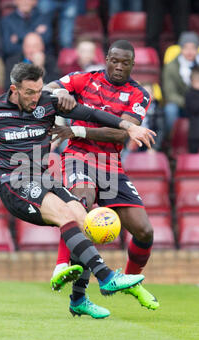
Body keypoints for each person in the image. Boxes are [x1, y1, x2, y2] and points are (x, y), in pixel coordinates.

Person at [0, 62, 156, 318]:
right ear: (14, 89)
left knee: (84, 219)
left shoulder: (47, 102)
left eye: (38, 91)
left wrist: (129, 127)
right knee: (65, 215)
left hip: (44, 179)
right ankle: (107, 277)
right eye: (30, 93)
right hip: (14, 181)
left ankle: (78, 299)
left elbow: (92, 114)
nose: (36, 98)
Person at [45, 40, 160, 314]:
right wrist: (59, 93)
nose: (119, 67)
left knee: (144, 231)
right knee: (81, 203)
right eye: (114, 60)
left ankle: (128, 281)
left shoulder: (139, 94)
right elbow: (48, 88)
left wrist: (77, 130)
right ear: (106, 58)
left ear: (133, 65)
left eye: (125, 63)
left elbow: (123, 133)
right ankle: (63, 265)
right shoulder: (85, 79)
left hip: (111, 163)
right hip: (78, 157)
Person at [163, 31, 199, 135]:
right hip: (183, 105)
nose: (189, 52)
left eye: (193, 48)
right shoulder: (171, 67)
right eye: (186, 48)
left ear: (198, 49)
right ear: (181, 49)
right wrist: (189, 102)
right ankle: (172, 141)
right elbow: (170, 94)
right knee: (170, 110)